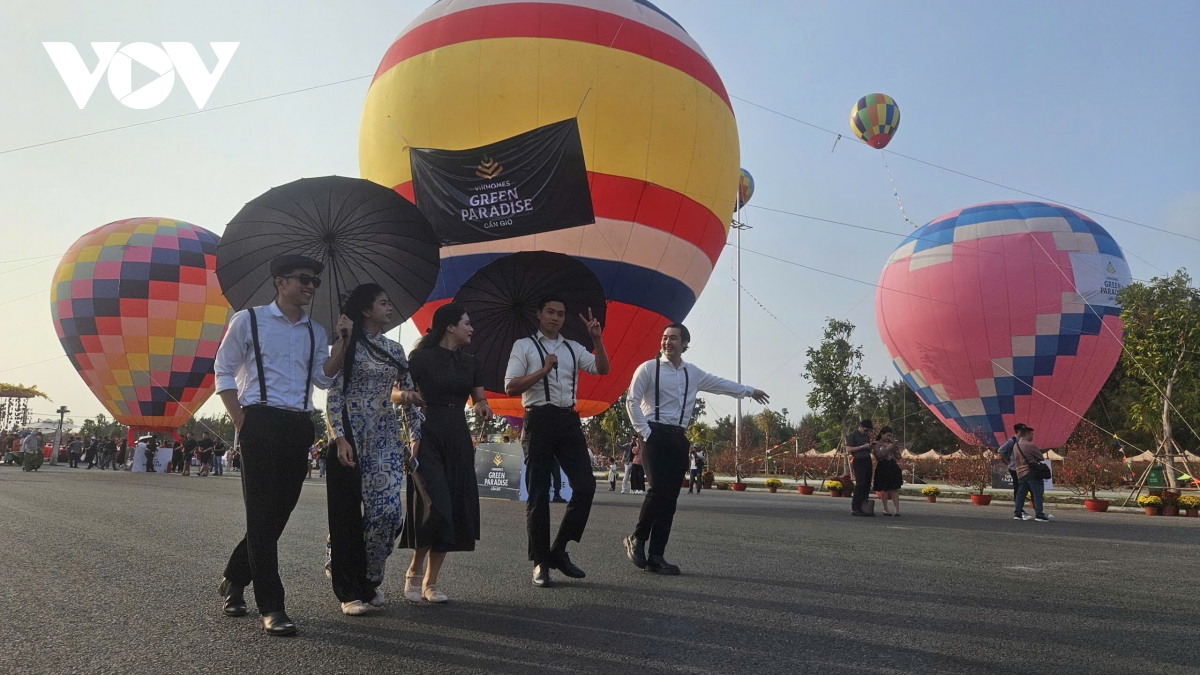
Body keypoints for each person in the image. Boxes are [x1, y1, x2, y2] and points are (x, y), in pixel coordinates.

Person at [213, 254, 342, 637]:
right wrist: (240, 419)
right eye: (304, 279)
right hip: (259, 420)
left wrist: (342, 345)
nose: (311, 286)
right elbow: (223, 370)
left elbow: (322, 380)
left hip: (299, 425)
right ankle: (272, 605)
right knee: (260, 515)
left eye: (315, 281)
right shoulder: (248, 320)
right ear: (280, 281)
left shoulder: (315, 331)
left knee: (277, 514)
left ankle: (234, 577)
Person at [624, 323, 769, 575]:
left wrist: (749, 391)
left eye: (673, 338)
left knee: (670, 499)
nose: (667, 342)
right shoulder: (648, 368)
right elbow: (632, 400)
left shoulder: (692, 373)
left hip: (678, 437)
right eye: (664, 337)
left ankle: (656, 555)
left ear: (684, 344)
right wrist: (646, 432)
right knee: (657, 490)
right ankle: (637, 538)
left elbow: (720, 384)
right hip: (653, 434)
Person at [324, 283, 424, 616]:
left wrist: (414, 436)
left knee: (388, 513)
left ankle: (369, 579)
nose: (389, 307)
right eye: (383, 303)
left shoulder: (395, 349)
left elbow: (409, 396)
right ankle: (350, 591)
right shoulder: (347, 343)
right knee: (348, 517)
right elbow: (334, 394)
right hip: (351, 435)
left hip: (384, 436)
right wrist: (338, 437)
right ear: (367, 310)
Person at [504, 297, 609, 588]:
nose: (555, 317)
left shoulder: (573, 347)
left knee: (585, 486)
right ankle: (540, 562)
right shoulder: (524, 346)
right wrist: (542, 370)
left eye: (561, 314)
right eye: (550, 312)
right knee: (538, 494)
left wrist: (596, 339)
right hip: (538, 419)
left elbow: (602, 369)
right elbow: (510, 386)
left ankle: (559, 550)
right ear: (538, 314)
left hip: (568, 420)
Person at [402, 303, 491, 602]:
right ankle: (414, 569)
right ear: (450, 327)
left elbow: (479, 399)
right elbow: (395, 392)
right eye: (467, 323)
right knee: (435, 504)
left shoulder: (471, 362)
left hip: (458, 436)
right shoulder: (419, 358)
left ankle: (431, 582)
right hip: (425, 435)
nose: (472, 329)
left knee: (452, 507)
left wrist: (483, 407)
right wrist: (407, 396)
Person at [1013, 425, 1054, 523]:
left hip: (1020, 472)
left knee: (1021, 493)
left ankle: (1018, 513)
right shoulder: (1030, 445)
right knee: (1037, 493)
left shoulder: (1016, 445)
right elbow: (1041, 457)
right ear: (1027, 434)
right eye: (1032, 434)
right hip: (1031, 472)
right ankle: (1039, 514)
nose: (1033, 436)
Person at [997, 424, 1028, 519]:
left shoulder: (1025, 440)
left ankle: (1020, 508)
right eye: (1023, 430)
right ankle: (1019, 509)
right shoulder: (1012, 441)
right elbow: (1001, 451)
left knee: (1024, 488)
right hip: (1015, 468)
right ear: (1018, 430)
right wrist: (1008, 462)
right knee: (1018, 488)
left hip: (1023, 468)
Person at [872, 426, 904, 516]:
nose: (888, 437)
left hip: (893, 466)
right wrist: (887, 448)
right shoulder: (876, 444)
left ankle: (897, 509)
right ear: (882, 434)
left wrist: (896, 449)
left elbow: (898, 457)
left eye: (890, 436)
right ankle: (885, 508)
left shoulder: (892, 444)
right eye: (887, 435)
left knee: (895, 489)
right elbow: (878, 456)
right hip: (883, 466)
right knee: (884, 489)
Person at [846, 420, 875, 516]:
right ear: (861, 426)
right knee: (860, 483)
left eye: (869, 431)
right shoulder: (853, 435)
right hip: (858, 460)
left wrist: (870, 447)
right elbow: (848, 449)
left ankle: (864, 507)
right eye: (866, 430)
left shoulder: (866, 436)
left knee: (867, 483)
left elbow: (867, 448)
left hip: (867, 459)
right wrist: (862, 447)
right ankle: (856, 507)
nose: (867, 432)